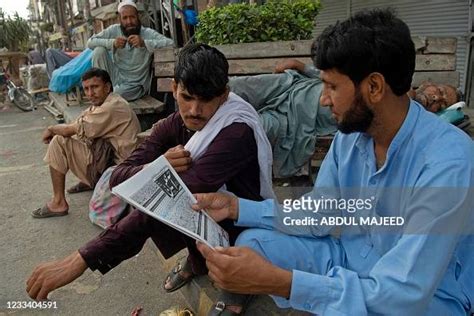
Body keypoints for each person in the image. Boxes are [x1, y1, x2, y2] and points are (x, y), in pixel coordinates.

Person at [193, 9, 474, 315]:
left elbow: (403, 293)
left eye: (332, 87)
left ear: (375, 88)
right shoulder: (352, 136)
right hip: (349, 259)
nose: (324, 100)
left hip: (426, 298)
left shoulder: (447, 162)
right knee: (252, 244)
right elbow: (321, 213)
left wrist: (283, 283)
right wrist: (236, 207)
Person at [26, 43, 273, 300]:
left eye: (206, 100)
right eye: (187, 98)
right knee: (164, 188)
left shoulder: (236, 131)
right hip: (200, 217)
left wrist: (82, 258)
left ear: (223, 96)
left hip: (238, 225)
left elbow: (174, 198)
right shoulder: (175, 123)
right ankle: (198, 261)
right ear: (175, 88)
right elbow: (118, 175)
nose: (195, 111)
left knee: (181, 199)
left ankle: (237, 293)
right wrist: (155, 166)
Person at [31, 67, 140, 218]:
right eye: (86, 89)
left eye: (95, 87)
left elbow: (71, 129)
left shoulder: (112, 106)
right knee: (78, 137)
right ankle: (89, 182)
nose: (90, 93)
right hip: (112, 165)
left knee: (59, 141)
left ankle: (58, 202)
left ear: (107, 87)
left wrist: (52, 128)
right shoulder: (102, 104)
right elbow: (80, 124)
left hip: (120, 172)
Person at [229, 59, 336, 178]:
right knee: (237, 86)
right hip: (293, 85)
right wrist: (301, 66)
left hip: (293, 120)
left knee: (249, 126)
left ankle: (212, 124)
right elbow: (330, 76)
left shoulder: (353, 117)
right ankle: (208, 101)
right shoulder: (351, 76)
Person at [87, 0, 173, 101]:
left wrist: (144, 43)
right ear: (120, 19)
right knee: (99, 51)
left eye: (132, 17)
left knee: (115, 95)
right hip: (116, 79)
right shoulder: (114, 30)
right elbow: (90, 42)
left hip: (136, 85)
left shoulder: (147, 33)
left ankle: (105, 97)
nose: (129, 22)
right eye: (125, 18)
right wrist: (112, 43)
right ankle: (103, 92)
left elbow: (171, 43)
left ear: (138, 17)